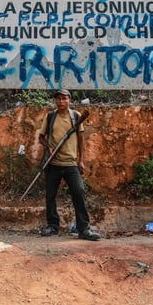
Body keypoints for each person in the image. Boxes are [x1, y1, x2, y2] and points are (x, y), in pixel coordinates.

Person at [37, 89, 100, 241]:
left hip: (71, 164)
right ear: (55, 101)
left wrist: (81, 160)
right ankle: (52, 226)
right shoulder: (51, 116)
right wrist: (49, 147)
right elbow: (41, 137)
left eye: (64, 98)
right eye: (58, 99)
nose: (61, 101)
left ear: (69, 100)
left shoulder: (76, 116)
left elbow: (81, 139)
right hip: (53, 163)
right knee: (50, 196)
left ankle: (84, 229)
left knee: (79, 194)